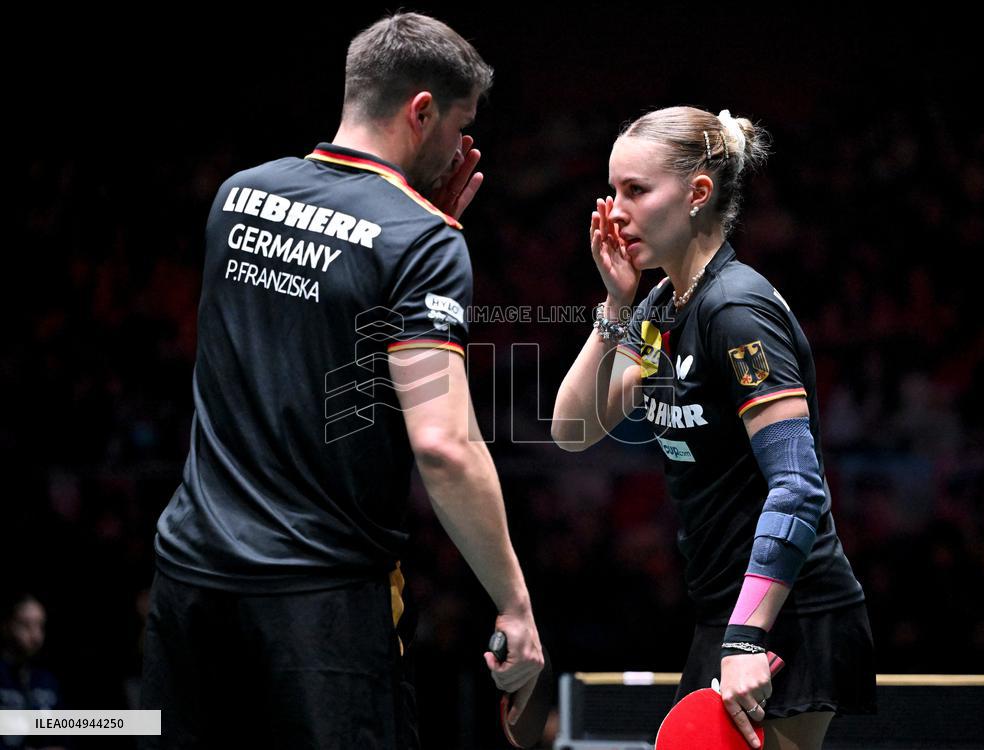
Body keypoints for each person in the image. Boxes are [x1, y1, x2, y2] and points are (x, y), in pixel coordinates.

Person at [140, 12, 543, 749]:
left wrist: (410, 235)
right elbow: (445, 446)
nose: (461, 148)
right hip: (319, 609)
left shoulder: (237, 196)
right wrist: (514, 605)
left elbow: (314, 328)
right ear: (422, 111)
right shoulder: (421, 242)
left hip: (190, 585)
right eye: (459, 126)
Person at [551, 106, 875, 750]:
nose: (615, 211)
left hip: (785, 610)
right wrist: (615, 306)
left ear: (698, 194)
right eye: (612, 191)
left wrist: (748, 636)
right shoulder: (661, 310)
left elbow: (799, 488)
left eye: (635, 191)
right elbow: (575, 427)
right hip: (727, 610)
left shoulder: (736, 310)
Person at [0, 593, 68, 750]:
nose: (35, 635)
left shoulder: (48, 681)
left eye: (39, 625)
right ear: (6, 625)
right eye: (25, 625)